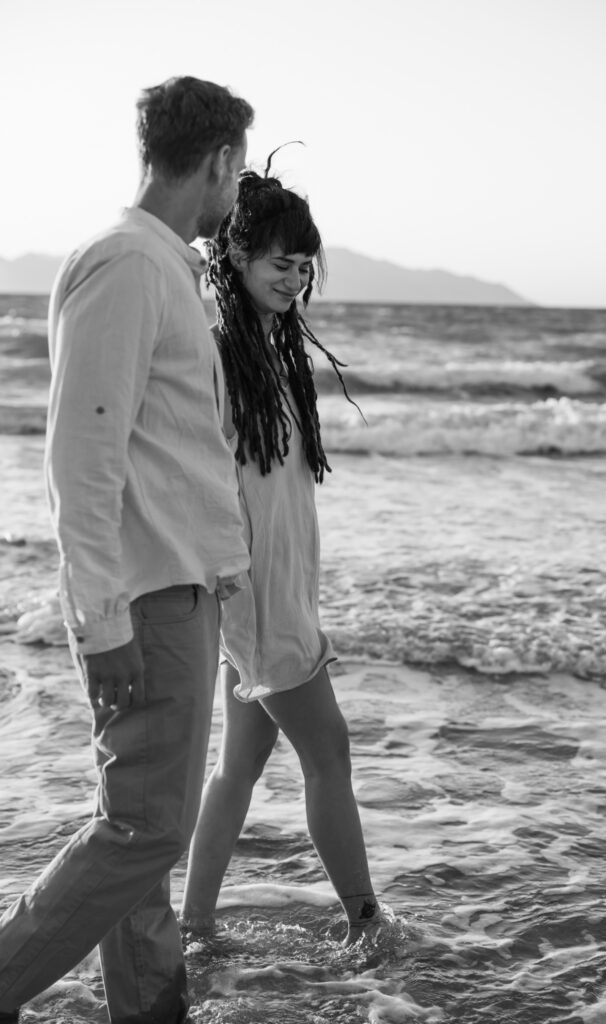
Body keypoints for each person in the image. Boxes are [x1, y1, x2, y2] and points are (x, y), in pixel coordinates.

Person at [0, 76, 254, 1024]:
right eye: (238, 169)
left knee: (142, 835)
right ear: (220, 160)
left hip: (164, 590)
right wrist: (101, 619)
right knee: (147, 830)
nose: (239, 189)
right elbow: (83, 456)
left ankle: (151, 1009)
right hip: (145, 600)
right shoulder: (130, 265)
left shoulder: (158, 265)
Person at [180, 162, 379, 947]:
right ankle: (365, 920)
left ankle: (194, 922)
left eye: (303, 266)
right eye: (278, 262)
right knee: (328, 752)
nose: (293, 278)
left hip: (279, 588)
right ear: (235, 259)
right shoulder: (223, 353)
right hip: (253, 591)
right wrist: (230, 584)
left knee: (242, 764)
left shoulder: (275, 352)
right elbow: (203, 481)